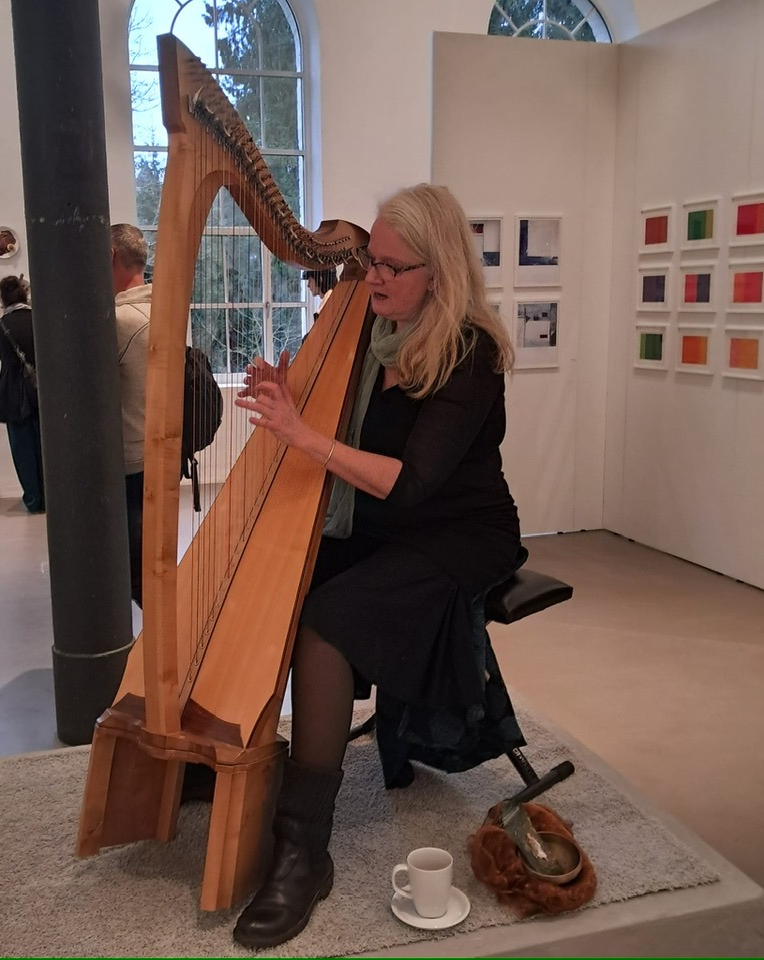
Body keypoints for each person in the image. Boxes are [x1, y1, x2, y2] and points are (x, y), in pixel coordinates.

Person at [232, 183, 524, 948]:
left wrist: (302, 435)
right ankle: (241, 761)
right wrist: (289, 399)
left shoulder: (470, 353)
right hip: (384, 523)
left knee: (329, 622)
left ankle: (303, 849)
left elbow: (412, 479)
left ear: (440, 271)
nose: (374, 278)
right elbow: (346, 433)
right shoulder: (368, 330)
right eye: (369, 264)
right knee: (277, 584)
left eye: (393, 267)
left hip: (458, 532)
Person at [110, 223, 151, 607]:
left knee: (135, 573)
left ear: (109, 256)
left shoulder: (120, 321)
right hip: (159, 453)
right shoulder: (162, 309)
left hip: (131, 461)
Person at [0, 275, 45, 514]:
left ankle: (33, 500)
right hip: (41, 392)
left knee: (22, 451)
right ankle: (50, 496)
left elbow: (2, 358)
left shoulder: (0, 326)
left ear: (3, 298)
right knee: (45, 446)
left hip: (13, 393)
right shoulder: (39, 320)